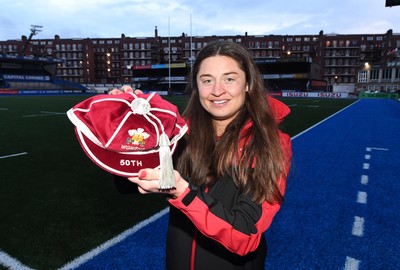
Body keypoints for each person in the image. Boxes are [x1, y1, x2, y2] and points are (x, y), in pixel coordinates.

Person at [112, 40, 292, 270]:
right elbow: (127, 184)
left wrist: (183, 193)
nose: (217, 90)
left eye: (229, 78)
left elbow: (245, 234)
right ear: (197, 86)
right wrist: (127, 130)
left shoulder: (271, 143)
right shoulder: (181, 133)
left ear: (248, 83)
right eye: (207, 80)